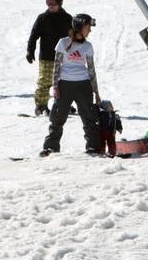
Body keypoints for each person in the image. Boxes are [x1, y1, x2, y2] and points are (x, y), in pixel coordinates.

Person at [41, 13, 102, 157]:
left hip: (83, 85)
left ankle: (93, 146)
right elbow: (57, 65)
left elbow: (91, 70)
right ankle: (51, 147)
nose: (90, 31)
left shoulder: (88, 46)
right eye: (88, 27)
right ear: (80, 27)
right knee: (57, 117)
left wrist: (96, 93)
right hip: (65, 85)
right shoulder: (63, 43)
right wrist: (55, 86)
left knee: (89, 117)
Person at [26, 0, 73, 116]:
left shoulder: (68, 19)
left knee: (65, 82)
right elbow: (34, 35)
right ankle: (41, 106)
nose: (50, 6)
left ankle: (64, 105)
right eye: (48, 3)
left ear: (59, 3)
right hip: (47, 56)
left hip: (64, 57)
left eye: (52, 3)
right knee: (45, 81)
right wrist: (30, 50)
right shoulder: (42, 18)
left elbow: (74, 37)